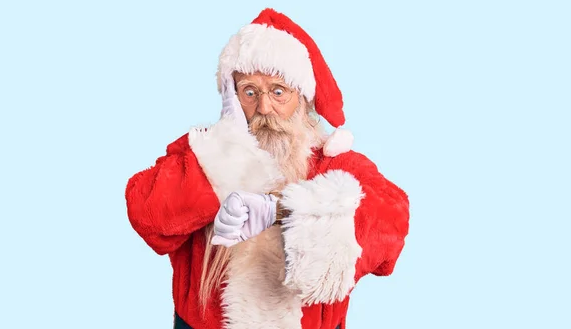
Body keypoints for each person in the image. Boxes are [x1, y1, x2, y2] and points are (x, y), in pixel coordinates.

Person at [125, 8, 410, 329]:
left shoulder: (338, 162)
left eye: (278, 91)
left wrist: (286, 213)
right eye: (249, 91)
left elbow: (391, 224)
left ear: (302, 97)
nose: (263, 107)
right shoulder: (201, 152)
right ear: (231, 96)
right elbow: (147, 215)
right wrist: (223, 158)